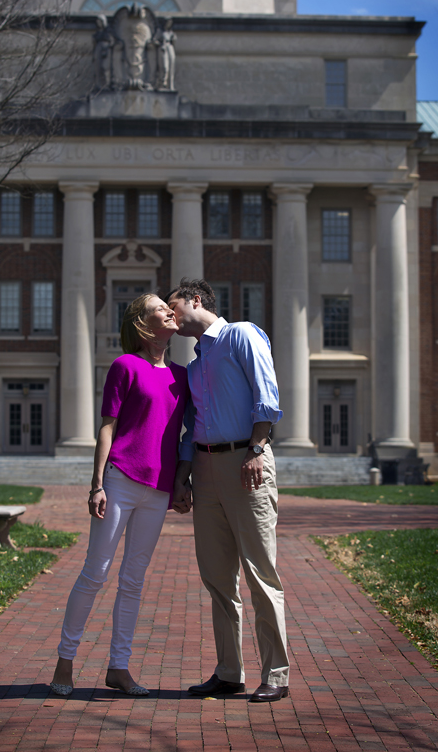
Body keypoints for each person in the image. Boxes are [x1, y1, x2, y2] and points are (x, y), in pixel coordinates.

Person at [50, 294, 190, 697]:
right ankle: (65, 661)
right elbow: (107, 427)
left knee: (133, 580)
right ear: (143, 324)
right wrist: (96, 484)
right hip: (121, 480)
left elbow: (182, 436)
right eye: (160, 307)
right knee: (96, 572)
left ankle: (119, 668)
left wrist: (182, 482)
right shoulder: (125, 366)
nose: (170, 309)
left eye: (170, 305)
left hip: (158, 490)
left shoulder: (182, 376)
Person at [166, 278, 289, 703]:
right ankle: (228, 672)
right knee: (218, 578)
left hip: (246, 461)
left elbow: (266, 395)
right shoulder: (197, 363)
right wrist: (183, 477)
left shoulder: (242, 334)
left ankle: (275, 674)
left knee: (259, 573)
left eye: (173, 305)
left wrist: (257, 446)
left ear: (195, 300)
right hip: (204, 466)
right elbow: (191, 425)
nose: (170, 315)